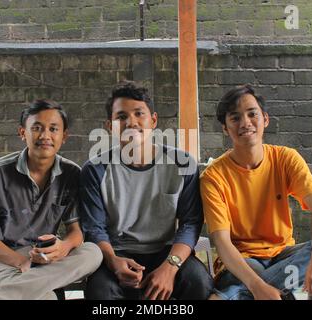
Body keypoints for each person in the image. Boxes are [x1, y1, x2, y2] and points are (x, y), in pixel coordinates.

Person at [200, 85, 312, 300]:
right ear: (225, 128)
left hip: (282, 255)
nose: (245, 123)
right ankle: (263, 291)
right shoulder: (213, 176)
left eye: (252, 114)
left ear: (265, 119)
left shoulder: (286, 159)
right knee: (254, 273)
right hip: (243, 260)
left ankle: (231, 296)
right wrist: (258, 286)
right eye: (235, 118)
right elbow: (222, 242)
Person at [79, 81, 214, 300]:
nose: (131, 122)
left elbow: (190, 223)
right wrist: (114, 263)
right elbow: (94, 228)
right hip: (117, 252)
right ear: (109, 126)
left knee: (198, 282)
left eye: (139, 114)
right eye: (121, 117)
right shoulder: (94, 170)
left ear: (153, 120)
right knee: (100, 292)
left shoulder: (182, 164)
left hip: (166, 251)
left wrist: (170, 268)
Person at [0, 100, 102, 300]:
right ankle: (7, 292)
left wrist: (63, 247)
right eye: (37, 128)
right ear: (23, 133)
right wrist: (21, 262)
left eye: (53, 129)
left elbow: (75, 232)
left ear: (64, 136)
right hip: (0, 262)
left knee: (93, 252)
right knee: (48, 299)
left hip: (46, 258)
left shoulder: (71, 173)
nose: (45, 135)